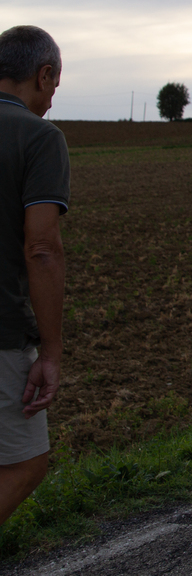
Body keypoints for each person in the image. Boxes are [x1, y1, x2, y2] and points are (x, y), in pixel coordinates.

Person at [0, 26, 68, 526]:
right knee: (26, 462)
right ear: (43, 75)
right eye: (54, 88)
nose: (49, 103)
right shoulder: (38, 137)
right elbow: (41, 247)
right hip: (1, 329)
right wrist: (50, 350)